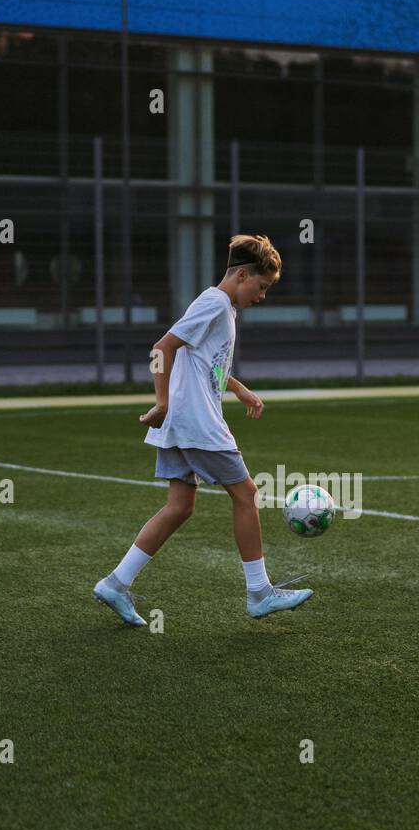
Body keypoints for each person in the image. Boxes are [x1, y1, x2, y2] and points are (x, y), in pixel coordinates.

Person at [93, 233, 313, 625]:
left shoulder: (225, 308)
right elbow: (162, 348)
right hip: (195, 421)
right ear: (243, 275)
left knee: (180, 506)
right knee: (247, 495)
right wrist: (161, 401)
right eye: (261, 287)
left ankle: (115, 583)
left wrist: (240, 388)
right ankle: (260, 593)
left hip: (185, 422)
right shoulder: (214, 301)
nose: (261, 297)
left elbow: (209, 361)